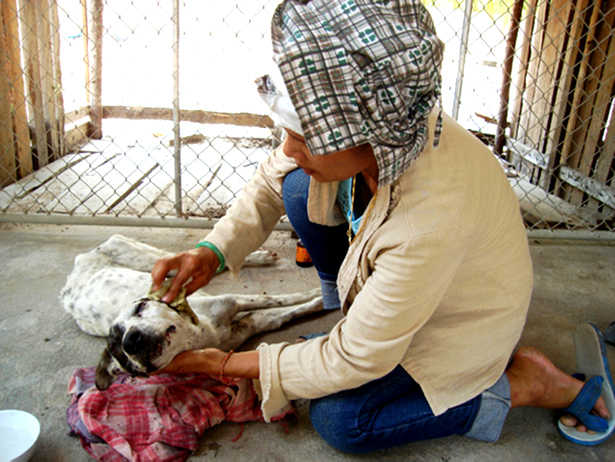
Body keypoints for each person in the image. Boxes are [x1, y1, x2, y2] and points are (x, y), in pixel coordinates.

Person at [151, 0, 611, 453]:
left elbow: (354, 360)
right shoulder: (393, 126)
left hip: (457, 329)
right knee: (297, 188)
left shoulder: (428, 219)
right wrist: (211, 251)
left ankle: (523, 384)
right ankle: (359, 321)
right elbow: (272, 178)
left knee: (342, 419)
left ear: (358, 134)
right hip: (421, 292)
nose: (289, 149)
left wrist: (227, 364)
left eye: (302, 138)